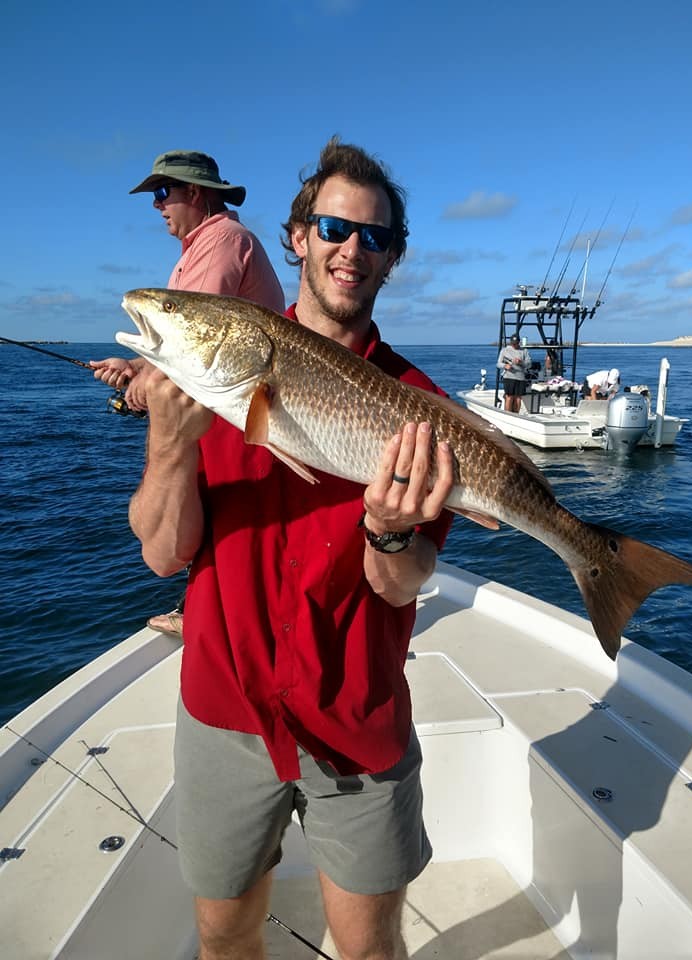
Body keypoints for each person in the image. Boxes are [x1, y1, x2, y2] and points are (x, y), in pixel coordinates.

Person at [128, 137, 455, 960]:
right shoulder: (213, 379)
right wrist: (169, 445)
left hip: (355, 715)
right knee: (223, 931)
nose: (353, 249)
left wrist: (388, 528)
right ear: (299, 235)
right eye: (335, 227)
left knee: (370, 945)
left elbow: (400, 584)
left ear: (392, 259)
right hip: (225, 712)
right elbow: (164, 556)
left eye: (374, 237)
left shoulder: (422, 410)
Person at [91, 150, 286, 639]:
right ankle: (205, 602)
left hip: (233, 411)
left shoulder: (222, 242)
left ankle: (209, 608)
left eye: (163, 193)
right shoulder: (209, 245)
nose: (157, 206)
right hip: (229, 404)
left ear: (195, 193)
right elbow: (188, 344)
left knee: (212, 516)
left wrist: (143, 389)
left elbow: (203, 347)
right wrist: (135, 365)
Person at [497, 332, 530, 412]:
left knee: (518, 398)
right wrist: (505, 366)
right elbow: (498, 364)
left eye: (516, 343)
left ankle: (516, 415)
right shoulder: (504, 350)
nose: (514, 345)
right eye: (513, 343)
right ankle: (507, 415)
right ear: (511, 342)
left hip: (520, 378)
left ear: (519, 342)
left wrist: (521, 362)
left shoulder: (524, 351)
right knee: (509, 396)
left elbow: (529, 364)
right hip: (509, 377)